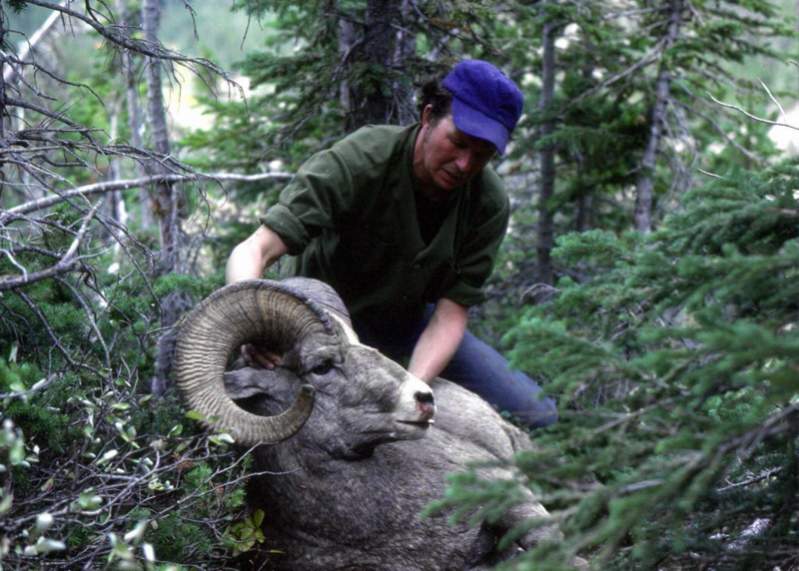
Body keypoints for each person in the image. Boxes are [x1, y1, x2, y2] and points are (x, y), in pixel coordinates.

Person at [226, 59, 557, 429]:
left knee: (538, 416)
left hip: (408, 328)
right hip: (321, 325)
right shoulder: (362, 159)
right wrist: (252, 323)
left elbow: (451, 313)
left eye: (481, 155)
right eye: (458, 143)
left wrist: (412, 387)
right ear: (428, 116)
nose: (465, 164)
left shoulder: (487, 201)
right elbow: (255, 249)